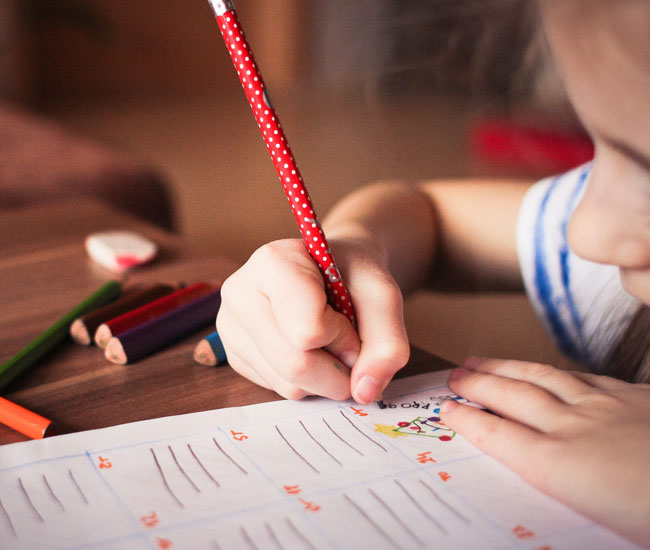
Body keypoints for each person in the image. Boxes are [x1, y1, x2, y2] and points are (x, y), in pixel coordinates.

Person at [216, 0, 650, 545]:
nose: (583, 231)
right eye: (599, 153)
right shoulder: (610, 242)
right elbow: (431, 216)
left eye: (647, 170)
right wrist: (357, 248)